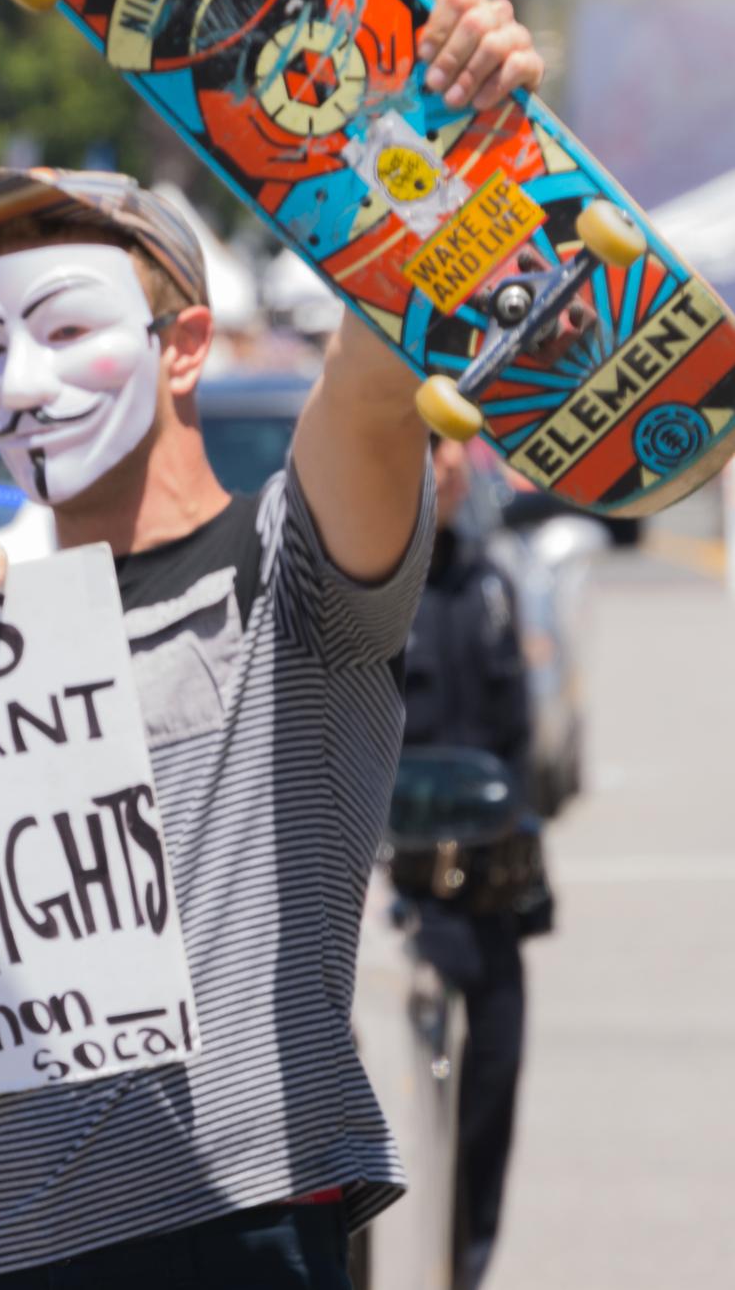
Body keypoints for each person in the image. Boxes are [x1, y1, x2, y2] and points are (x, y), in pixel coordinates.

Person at [0, 0, 544, 1290]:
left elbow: (365, 384)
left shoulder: (285, 578)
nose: (19, 380)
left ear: (180, 347)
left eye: (65, 327)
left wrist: (444, 144)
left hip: (233, 1237)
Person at [403, 435, 546, 1290]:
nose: (447, 461)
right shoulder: (356, 585)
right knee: (404, 1134)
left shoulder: (486, 578)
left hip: (488, 904)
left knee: (485, 1114)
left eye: (455, 443)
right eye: (425, 441)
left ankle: (463, 1274)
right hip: (395, 906)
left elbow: (518, 745)